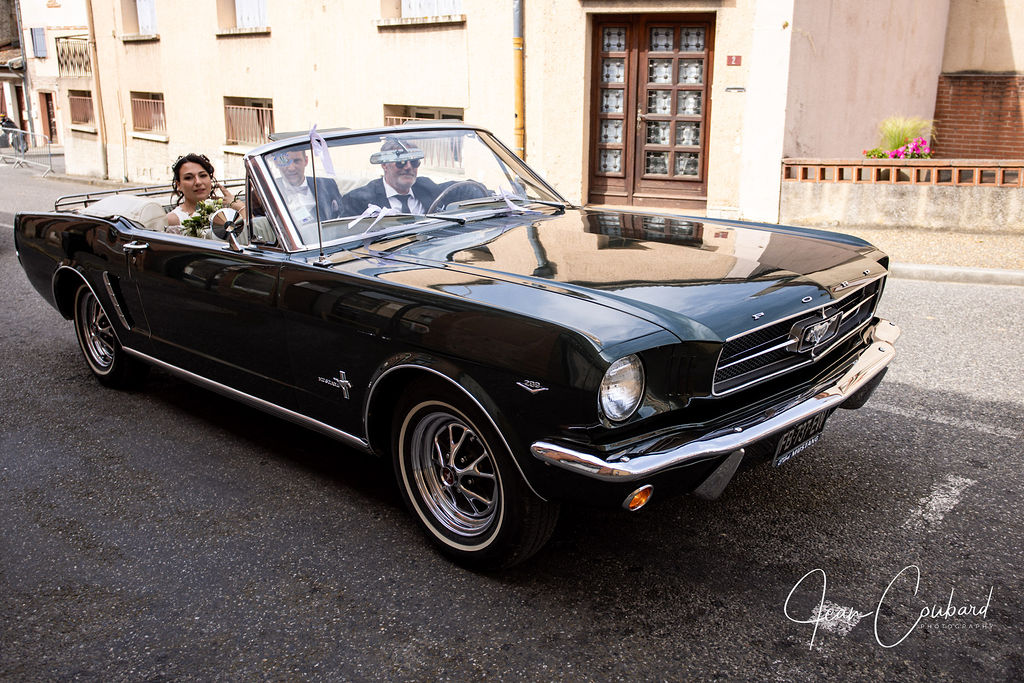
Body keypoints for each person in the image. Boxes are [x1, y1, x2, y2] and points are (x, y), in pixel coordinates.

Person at [340, 139, 453, 218]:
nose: (408, 167)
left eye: (414, 162)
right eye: (401, 162)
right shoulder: (357, 199)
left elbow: (461, 189)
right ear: (384, 165)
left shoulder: (427, 186)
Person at [166, 153, 242, 233]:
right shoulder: (173, 219)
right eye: (188, 178)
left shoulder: (227, 210)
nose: (198, 182)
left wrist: (240, 208)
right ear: (179, 185)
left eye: (202, 175)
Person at [270, 149, 343, 229]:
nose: (291, 168)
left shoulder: (327, 185)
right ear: (276, 163)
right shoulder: (269, 190)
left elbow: (342, 216)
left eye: (297, 161)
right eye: (285, 161)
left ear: (306, 161)